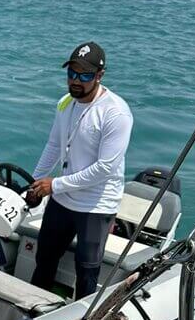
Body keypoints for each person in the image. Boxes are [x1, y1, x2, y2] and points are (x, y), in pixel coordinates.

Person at [27, 41, 133, 299]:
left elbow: (105, 168)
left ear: (99, 76)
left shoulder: (116, 113)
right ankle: (34, 309)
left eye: (85, 75)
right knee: (44, 257)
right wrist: (35, 182)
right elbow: (54, 144)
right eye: (71, 73)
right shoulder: (65, 103)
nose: (76, 81)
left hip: (95, 206)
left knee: (86, 271)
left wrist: (54, 185)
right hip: (63, 199)